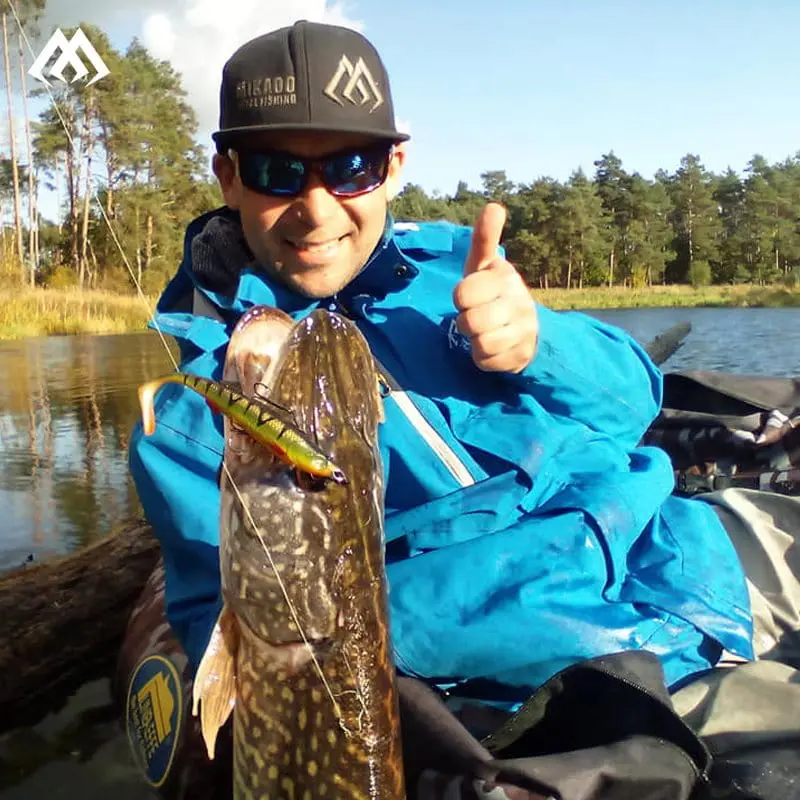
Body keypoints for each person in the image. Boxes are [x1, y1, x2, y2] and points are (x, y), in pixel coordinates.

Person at [126, 18, 800, 799]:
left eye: (349, 167)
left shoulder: (457, 265)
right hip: (563, 682)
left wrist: (542, 342)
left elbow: (631, 404)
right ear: (229, 175)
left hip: (692, 553)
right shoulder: (188, 427)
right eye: (278, 171)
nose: (317, 208)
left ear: (392, 167)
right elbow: (246, 643)